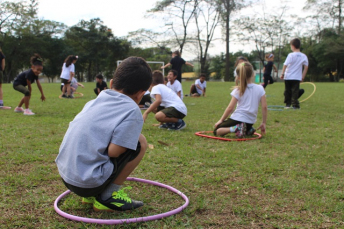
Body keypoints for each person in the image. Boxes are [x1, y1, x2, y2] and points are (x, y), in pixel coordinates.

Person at [55, 56, 152, 212]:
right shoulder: (132, 110)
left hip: (67, 177)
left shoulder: (94, 101)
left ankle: (90, 195)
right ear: (141, 94)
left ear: (111, 83)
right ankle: (108, 196)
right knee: (140, 142)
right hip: (87, 183)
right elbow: (114, 152)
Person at [214, 62, 267, 138]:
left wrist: (221, 120)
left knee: (217, 131)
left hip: (238, 119)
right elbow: (264, 107)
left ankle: (236, 128)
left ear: (238, 77)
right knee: (243, 125)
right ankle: (248, 129)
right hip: (250, 121)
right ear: (253, 74)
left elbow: (230, 108)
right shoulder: (260, 88)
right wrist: (264, 123)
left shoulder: (238, 90)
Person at [281, 38, 309, 109]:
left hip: (288, 76)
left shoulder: (290, 55)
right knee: (295, 91)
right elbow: (306, 67)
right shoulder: (303, 56)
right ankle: (295, 105)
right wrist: (303, 77)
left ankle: (288, 104)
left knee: (287, 91)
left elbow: (285, 65)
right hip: (297, 77)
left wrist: (282, 73)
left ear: (292, 46)